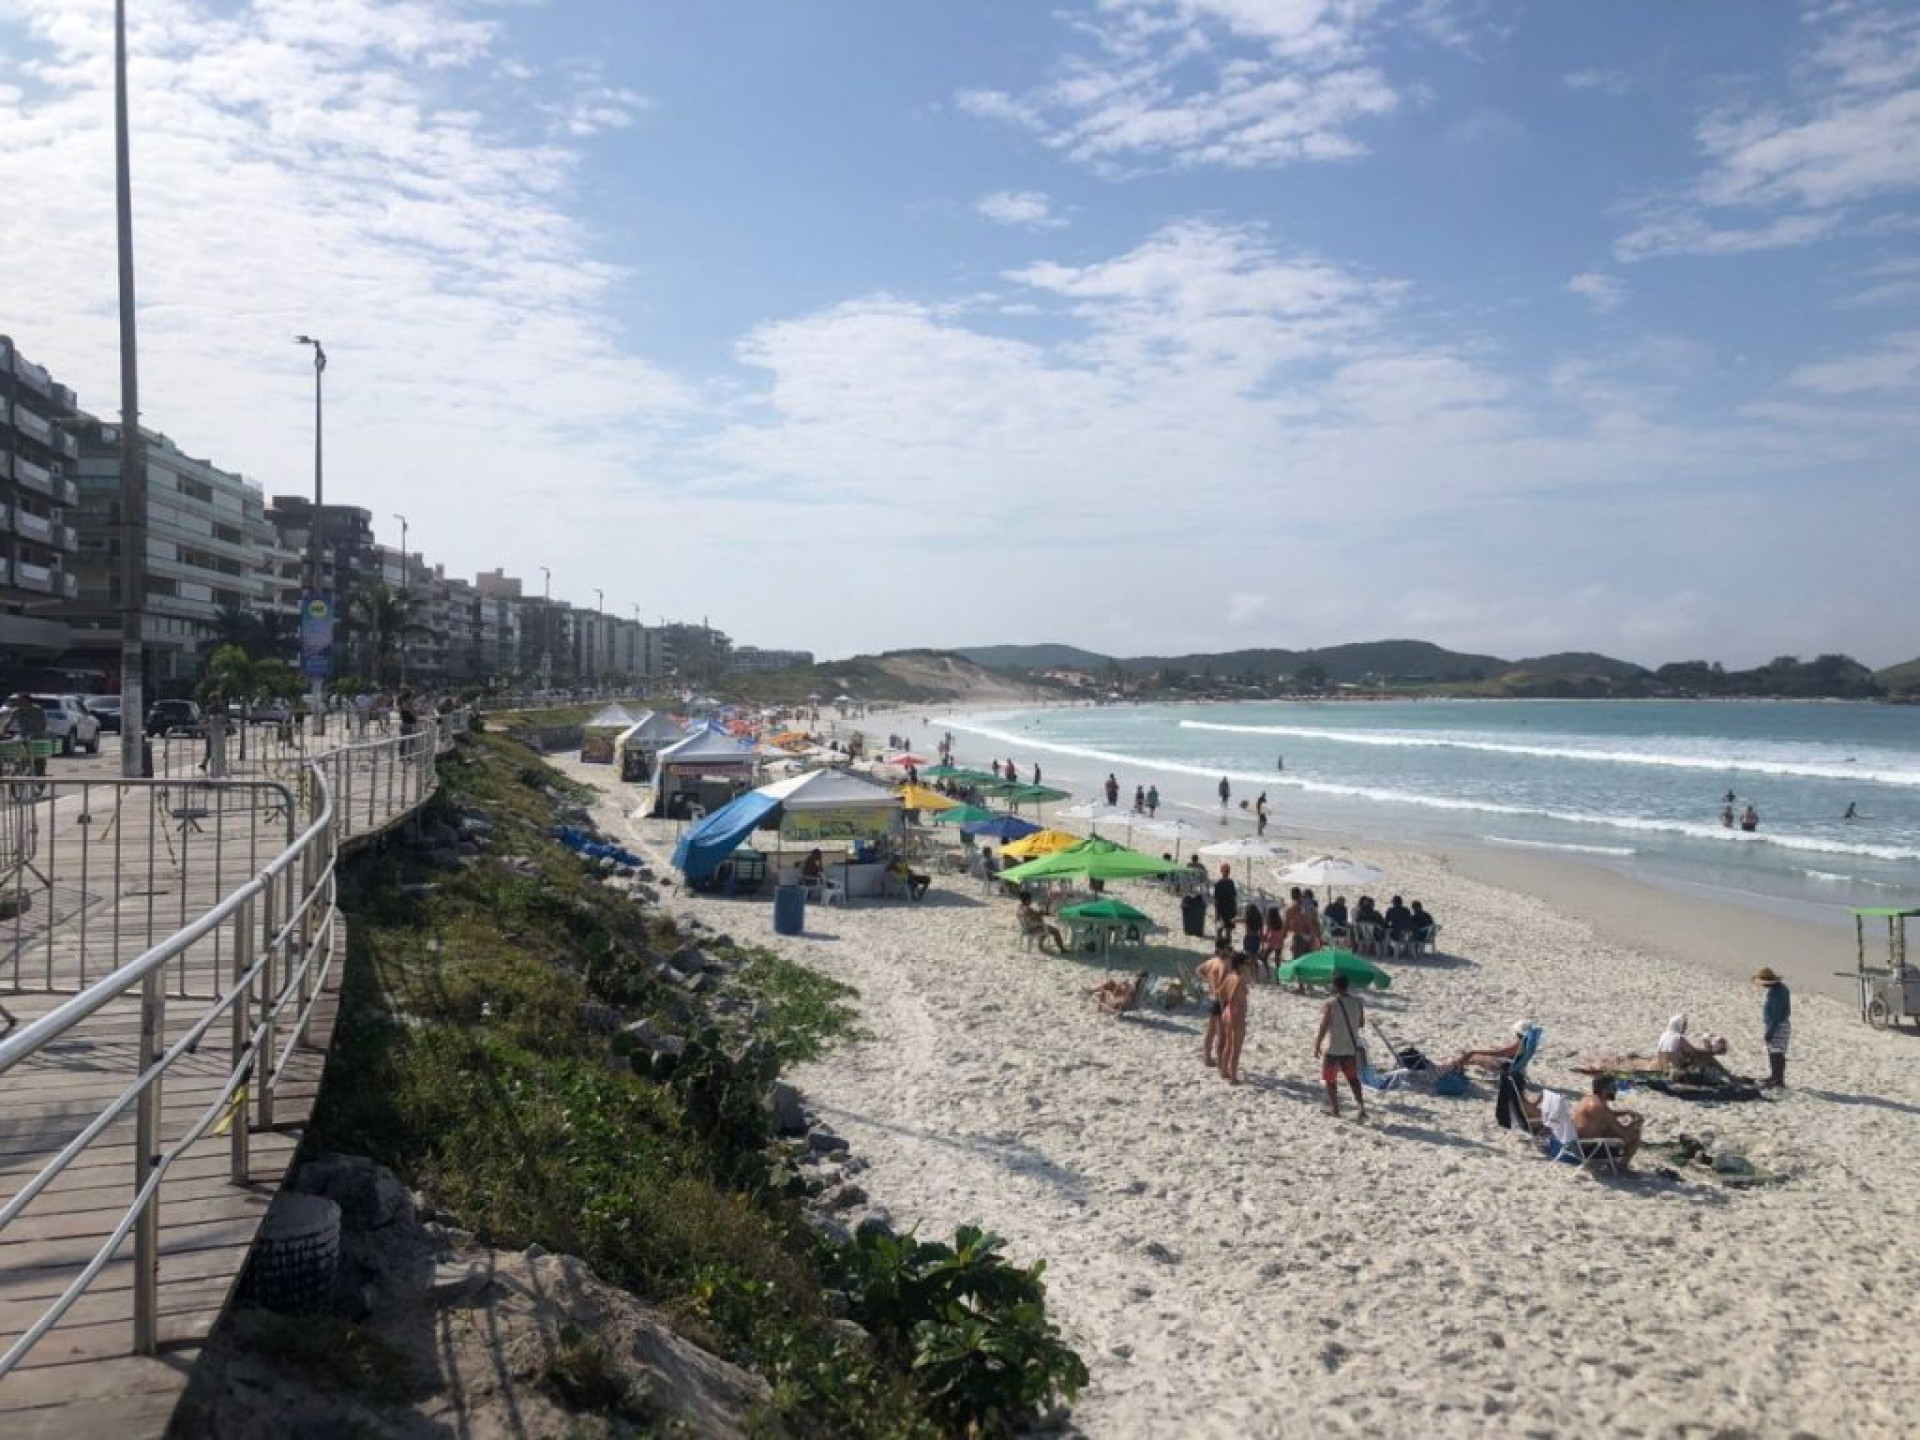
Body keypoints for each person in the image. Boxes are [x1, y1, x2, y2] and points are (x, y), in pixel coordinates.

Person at [1456, 1020, 1536, 1131]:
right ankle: (1510, 1124)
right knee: (1513, 1105)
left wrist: (1476, 1052)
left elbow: (1502, 1053)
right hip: (1517, 1075)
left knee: (1510, 1105)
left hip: (1510, 1076)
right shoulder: (1528, 1044)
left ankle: (1511, 1125)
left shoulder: (1520, 1045)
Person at [1314, 974, 1368, 1120]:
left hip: (1333, 1048)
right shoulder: (1358, 1002)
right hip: (1350, 1047)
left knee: (1330, 1079)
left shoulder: (1330, 1003)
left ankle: (1335, 1108)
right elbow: (1361, 1023)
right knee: (1352, 1078)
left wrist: (1317, 1044)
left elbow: (1323, 1025)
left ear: (1335, 986)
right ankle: (1361, 1106)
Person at [1573, 1075, 1645, 1166]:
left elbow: (1605, 1115)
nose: (1616, 1090)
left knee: (1609, 1129)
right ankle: (1622, 1166)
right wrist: (1637, 1121)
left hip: (1577, 1144)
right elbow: (1624, 1133)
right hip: (1589, 1151)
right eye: (1613, 1087)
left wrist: (1626, 1112)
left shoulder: (1588, 1099)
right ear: (1604, 1090)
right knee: (1635, 1134)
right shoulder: (1601, 1108)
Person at [1656, 1014, 1729, 1078]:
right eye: (1684, 1025)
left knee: (1699, 1057)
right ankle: (1729, 1077)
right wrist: (1713, 1052)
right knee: (1709, 1059)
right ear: (1679, 1025)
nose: (1685, 1028)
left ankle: (1726, 1074)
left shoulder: (1664, 1035)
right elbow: (1695, 1052)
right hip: (1676, 1069)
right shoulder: (1678, 1038)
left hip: (1663, 1067)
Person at [1198, 936, 1233, 1067]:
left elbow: (1198, 970)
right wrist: (1224, 1005)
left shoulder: (1212, 961)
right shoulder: (1224, 964)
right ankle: (1220, 1062)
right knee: (1221, 1033)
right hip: (1221, 1000)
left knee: (1211, 1031)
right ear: (1221, 949)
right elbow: (1222, 985)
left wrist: (1209, 982)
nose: (1230, 951)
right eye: (1228, 948)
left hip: (1213, 999)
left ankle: (1207, 1057)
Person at [1217, 953, 1252, 1083]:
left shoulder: (1230, 977)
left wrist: (1223, 1009)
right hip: (1237, 1014)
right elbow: (1238, 994)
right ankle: (1233, 1077)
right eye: (1246, 964)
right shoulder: (1240, 980)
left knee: (1228, 1044)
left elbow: (1220, 993)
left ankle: (1224, 1071)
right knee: (1236, 1048)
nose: (1248, 967)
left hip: (1227, 1012)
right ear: (1241, 965)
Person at [1756, 966, 1791, 1088]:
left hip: (1777, 1025)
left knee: (1776, 1053)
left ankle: (1778, 1079)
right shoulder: (1781, 989)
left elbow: (1776, 1014)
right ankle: (1775, 1077)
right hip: (1779, 1024)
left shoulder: (1776, 993)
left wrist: (1770, 1031)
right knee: (1774, 1052)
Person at [3, 693, 47, 777]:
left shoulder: (37, 710)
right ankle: (16, 767)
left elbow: (42, 725)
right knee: (14, 744)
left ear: (28, 701)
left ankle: (40, 776)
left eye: (21, 701)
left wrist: (34, 734)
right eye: (18, 701)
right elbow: (8, 722)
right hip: (23, 736)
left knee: (38, 759)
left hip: (36, 737)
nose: (19, 703)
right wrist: (3, 731)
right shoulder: (17, 711)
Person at [1212, 863, 1239, 935]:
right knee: (1221, 929)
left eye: (1227, 871)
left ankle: (1225, 944)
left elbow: (1233, 897)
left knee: (1226, 930)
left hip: (1227, 909)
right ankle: (1221, 944)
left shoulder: (1229, 882)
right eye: (1226, 871)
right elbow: (1216, 899)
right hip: (1224, 909)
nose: (1226, 872)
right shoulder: (1221, 883)